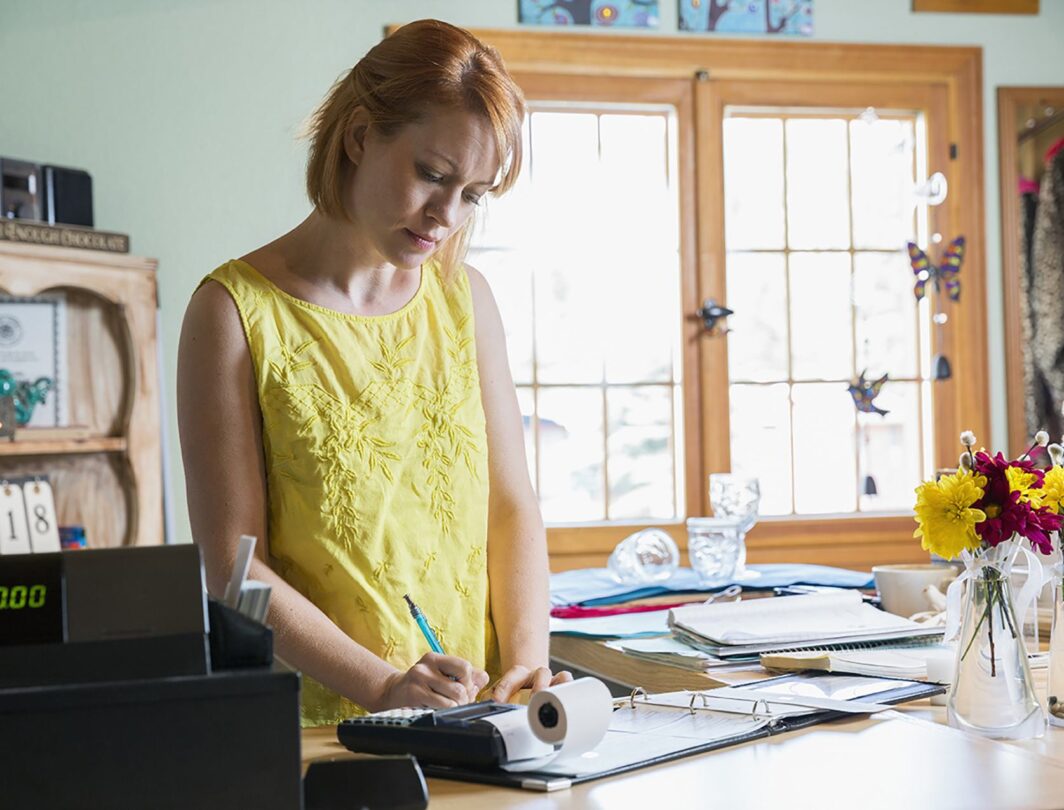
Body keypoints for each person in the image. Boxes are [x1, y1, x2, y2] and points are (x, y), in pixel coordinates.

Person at [177, 19, 571, 726]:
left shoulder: (465, 299)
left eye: (474, 194)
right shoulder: (232, 313)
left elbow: (512, 507)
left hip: (480, 722)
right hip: (325, 731)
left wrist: (526, 658)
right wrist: (382, 686)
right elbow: (236, 574)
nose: (446, 216)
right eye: (433, 175)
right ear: (360, 137)